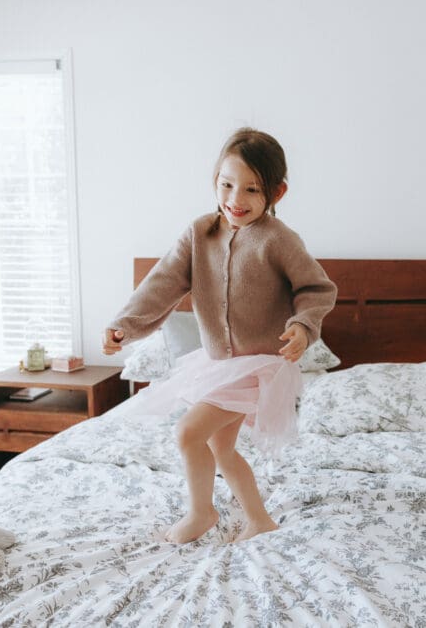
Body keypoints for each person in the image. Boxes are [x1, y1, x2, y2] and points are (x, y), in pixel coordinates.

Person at [104, 128, 337, 543]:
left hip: (259, 365)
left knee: (187, 432)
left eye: (251, 189)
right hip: (217, 365)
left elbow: (316, 289)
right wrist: (126, 324)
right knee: (220, 448)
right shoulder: (200, 234)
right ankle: (259, 520)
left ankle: (202, 512)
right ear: (215, 181)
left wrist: (303, 326)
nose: (236, 199)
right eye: (227, 185)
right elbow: (163, 283)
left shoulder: (279, 240)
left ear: (277, 193)